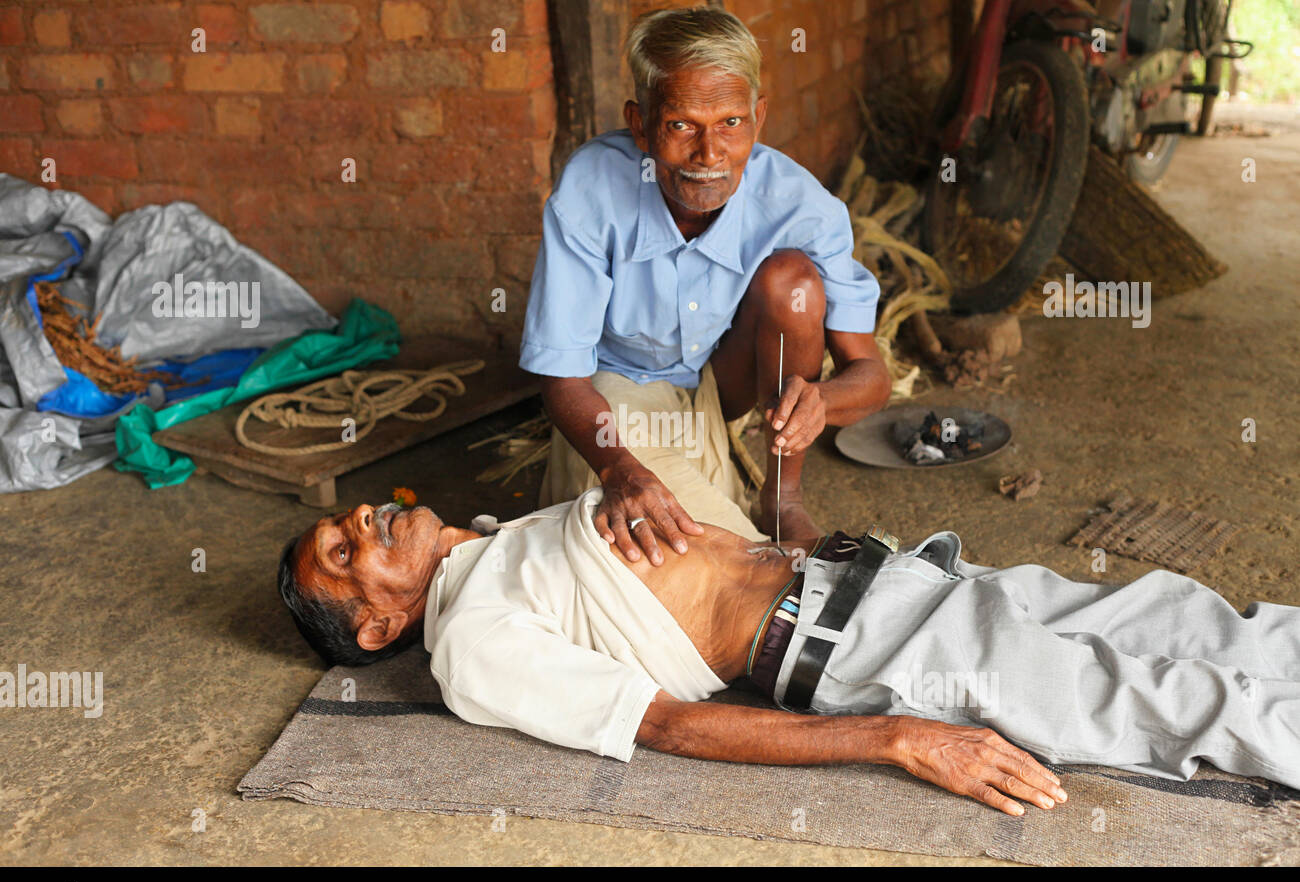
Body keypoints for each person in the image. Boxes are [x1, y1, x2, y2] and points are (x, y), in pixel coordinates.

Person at [278, 490, 1300, 817]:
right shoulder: (470, 643)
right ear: (376, 626)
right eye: (344, 548)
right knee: (1182, 703)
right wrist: (897, 735)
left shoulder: (497, 537)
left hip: (895, 575)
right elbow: (665, 723)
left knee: (1197, 616)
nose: (364, 519)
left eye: (352, 515)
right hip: (866, 644)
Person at [521, 6, 891, 561]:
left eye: (731, 124)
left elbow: (872, 376)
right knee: (651, 545)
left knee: (794, 282)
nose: (709, 154)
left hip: (727, 387)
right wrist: (620, 468)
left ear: (757, 119)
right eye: (681, 126)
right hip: (620, 387)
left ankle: (781, 497)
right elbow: (563, 381)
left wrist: (820, 400)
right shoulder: (591, 190)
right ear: (641, 124)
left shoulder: (799, 205)